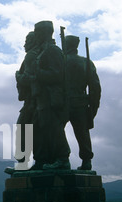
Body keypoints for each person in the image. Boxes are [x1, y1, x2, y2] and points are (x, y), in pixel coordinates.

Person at [32, 21, 70, 170]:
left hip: (51, 98)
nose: (35, 34)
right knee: (38, 129)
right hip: (41, 98)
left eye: (37, 31)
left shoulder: (53, 50)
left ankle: (62, 159)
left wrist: (37, 74)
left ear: (46, 32)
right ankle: (41, 160)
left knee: (54, 129)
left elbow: (57, 75)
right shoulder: (43, 50)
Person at [64, 35, 101, 170]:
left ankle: (61, 157)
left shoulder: (62, 61)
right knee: (82, 133)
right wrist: (93, 107)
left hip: (64, 103)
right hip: (81, 102)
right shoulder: (86, 63)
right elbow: (95, 88)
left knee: (56, 130)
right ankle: (86, 161)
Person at [14, 31, 39, 169]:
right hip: (33, 101)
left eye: (27, 41)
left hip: (33, 101)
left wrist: (18, 76)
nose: (24, 44)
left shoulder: (31, 56)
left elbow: (31, 78)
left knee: (23, 128)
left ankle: (22, 162)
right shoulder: (36, 55)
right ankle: (25, 161)